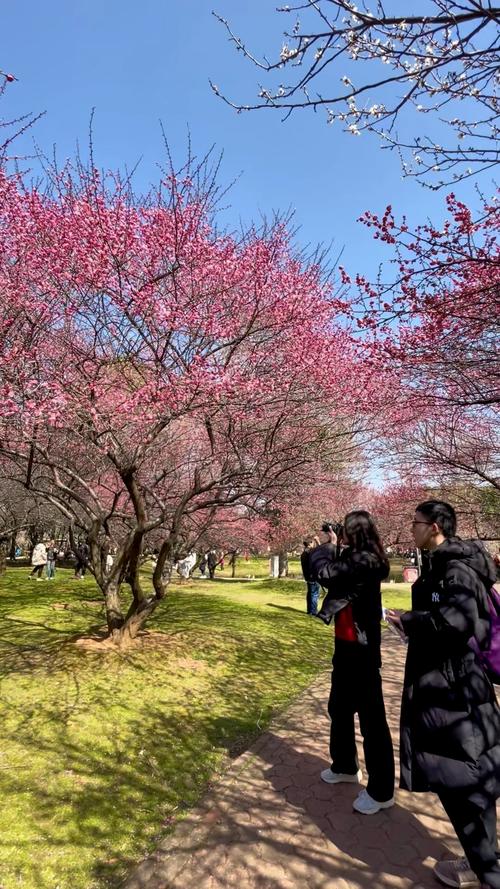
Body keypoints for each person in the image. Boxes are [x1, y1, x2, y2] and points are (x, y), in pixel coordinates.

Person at [386, 500, 500, 889]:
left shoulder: (454, 568)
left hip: (453, 691)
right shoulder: (446, 564)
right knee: (473, 777)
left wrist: (411, 621)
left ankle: (488, 872)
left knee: (457, 780)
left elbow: (457, 621)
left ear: (434, 526)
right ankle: (483, 862)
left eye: (415, 522)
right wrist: (411, 624)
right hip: (454, 686)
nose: (411, 528)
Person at [316, 510, 395, 815]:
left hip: (361, 649)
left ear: (355, 531)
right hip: (347, 645)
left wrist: (327, 546)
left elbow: (324, 573)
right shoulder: (359, 555)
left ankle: (381, 790)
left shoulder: (365, 560)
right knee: (339, 707)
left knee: (372, 720)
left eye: (345, 529)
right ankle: (345, 765)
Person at [301, 537, 320, 616]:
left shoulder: (304, 553)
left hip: (307, 576)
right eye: (312, 542)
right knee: (314, 594)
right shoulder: (311, 552)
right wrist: (318, 541)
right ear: (310, 544)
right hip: (313, 576)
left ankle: (309, 610)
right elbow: (321, 551)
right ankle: (314, 611)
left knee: (310, 593)